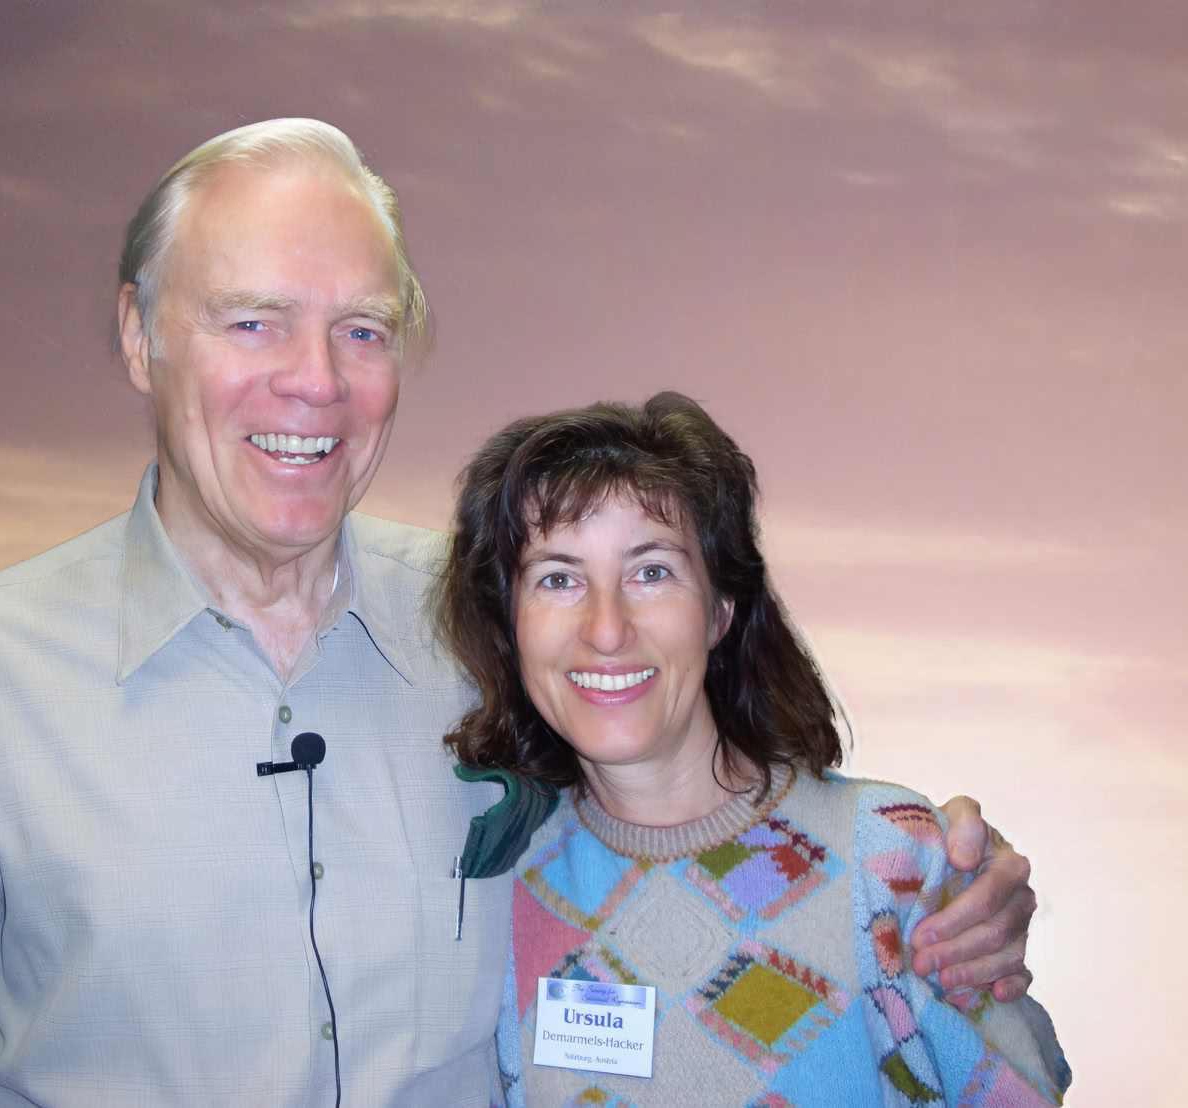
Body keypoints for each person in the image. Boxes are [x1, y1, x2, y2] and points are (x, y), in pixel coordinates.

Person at [0, 121, 1034, 1105]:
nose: (312, 380)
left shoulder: (502, 630)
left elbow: (706, 826)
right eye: (251, 318)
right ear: (137, 334)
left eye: (361, 328)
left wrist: (939, 875)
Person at [436, 392, 1070, 1106]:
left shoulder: (890, 859)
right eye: (557, 578)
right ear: (510, 624)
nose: (605, 627)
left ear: (720, 611)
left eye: (652, 571)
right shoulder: (506, 889)